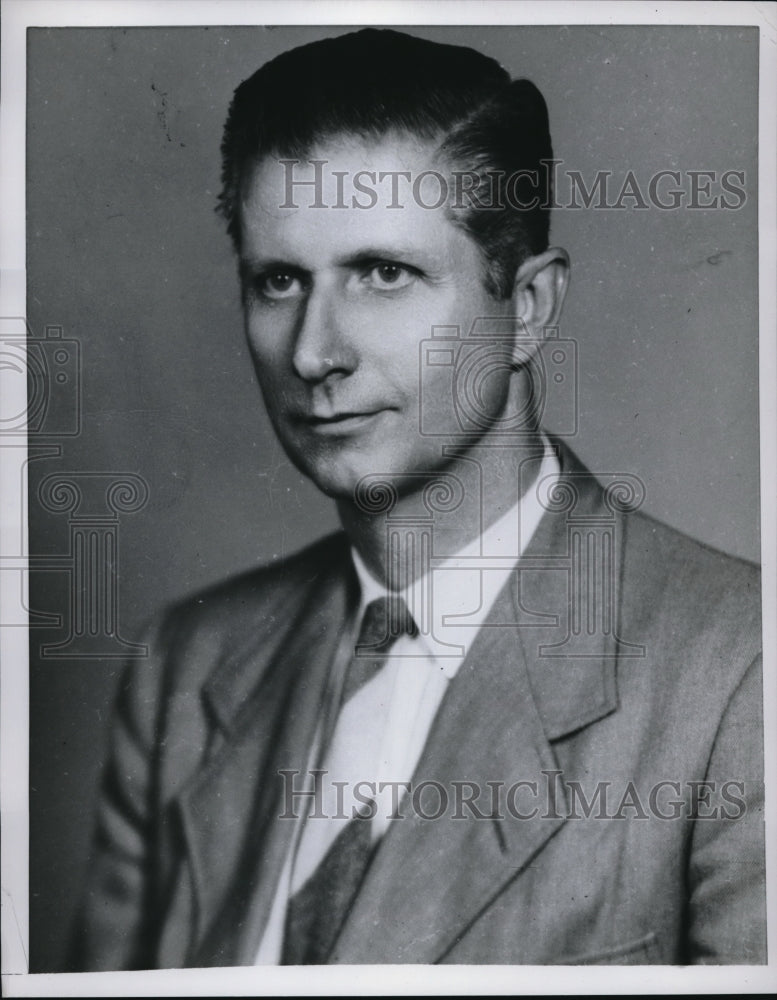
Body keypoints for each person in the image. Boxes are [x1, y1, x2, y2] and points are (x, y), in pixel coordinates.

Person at [71, 28, 765, 968]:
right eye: (279, 282)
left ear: (527, 309)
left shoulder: (738, 675)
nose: (315, 352)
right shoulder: (185, 668)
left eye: (383, 274)